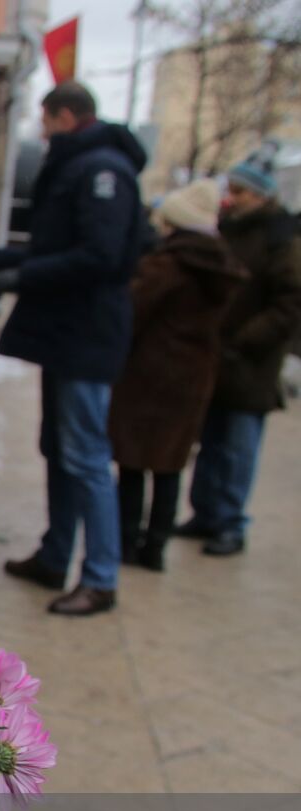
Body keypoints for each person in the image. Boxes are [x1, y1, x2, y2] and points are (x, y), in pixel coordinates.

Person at [0, 82, 147, 616]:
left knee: (85, 456)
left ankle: (101, 578)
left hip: (86, 334)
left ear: (65, 116)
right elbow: (55, 247)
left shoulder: (102, 170)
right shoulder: (80, 164)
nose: (41, 132)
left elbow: (99, 256)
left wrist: (19, 276)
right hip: (68, 333)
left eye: (44, 121)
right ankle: (55, 556)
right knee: (60, 449)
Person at [108, 180, 245, 571]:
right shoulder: (223, 266)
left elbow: (131, 311)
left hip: (149, 375)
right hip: (194, 377)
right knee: (169, 464)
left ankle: (126, 541)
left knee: (133, 461)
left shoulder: (168, 264)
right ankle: (156, 547)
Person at [179, 147, 301, 555]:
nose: (231, 197)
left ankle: (230, 521)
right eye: (229, 189)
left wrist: (246, 339)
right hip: (218, 353)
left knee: (238, 444)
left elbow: (290, 303)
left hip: (250, 361)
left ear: (262, 195)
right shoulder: (229, 228)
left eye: (240, 191)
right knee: (212, 438)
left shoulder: (280, 239)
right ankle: (205, 513)